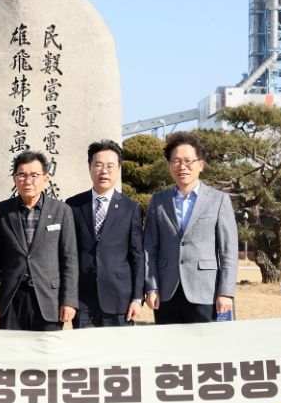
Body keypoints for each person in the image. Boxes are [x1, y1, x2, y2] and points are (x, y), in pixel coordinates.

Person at [144, 131, 238, 324]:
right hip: (166, 292)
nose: (182, 167)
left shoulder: (219, 200)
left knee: (206, 342)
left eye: (188, 161)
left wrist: (226, 292)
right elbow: (149, 248)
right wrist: (151, 287)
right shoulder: (158, 201)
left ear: (200, 164)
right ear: (169, 165)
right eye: (176, 161)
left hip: (205, 291)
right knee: (169, 342)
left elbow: (228, 251)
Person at [0, 151, 78, 331]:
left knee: (46, 349)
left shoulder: (61, 211)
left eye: (34, 175)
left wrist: (69, 300)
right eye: (22, 175)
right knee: (12, 348)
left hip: (49, 299)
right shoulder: (2, 211)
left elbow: (70, 260)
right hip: (12, 297)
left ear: (46, 178)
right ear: (14, 179)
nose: (28, 181)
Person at [65, 140, 144, 328]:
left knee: (119, 348)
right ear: (89, 167)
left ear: (118, 169)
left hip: (120, 298)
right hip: (83, 298)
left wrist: (137, 298)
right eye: (98, 165)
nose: (104, 171)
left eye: (110, 166)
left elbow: (137, 255)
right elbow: (67, 253)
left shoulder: (130, 207)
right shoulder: (73, 205)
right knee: (84, 347)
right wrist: (68, 298)